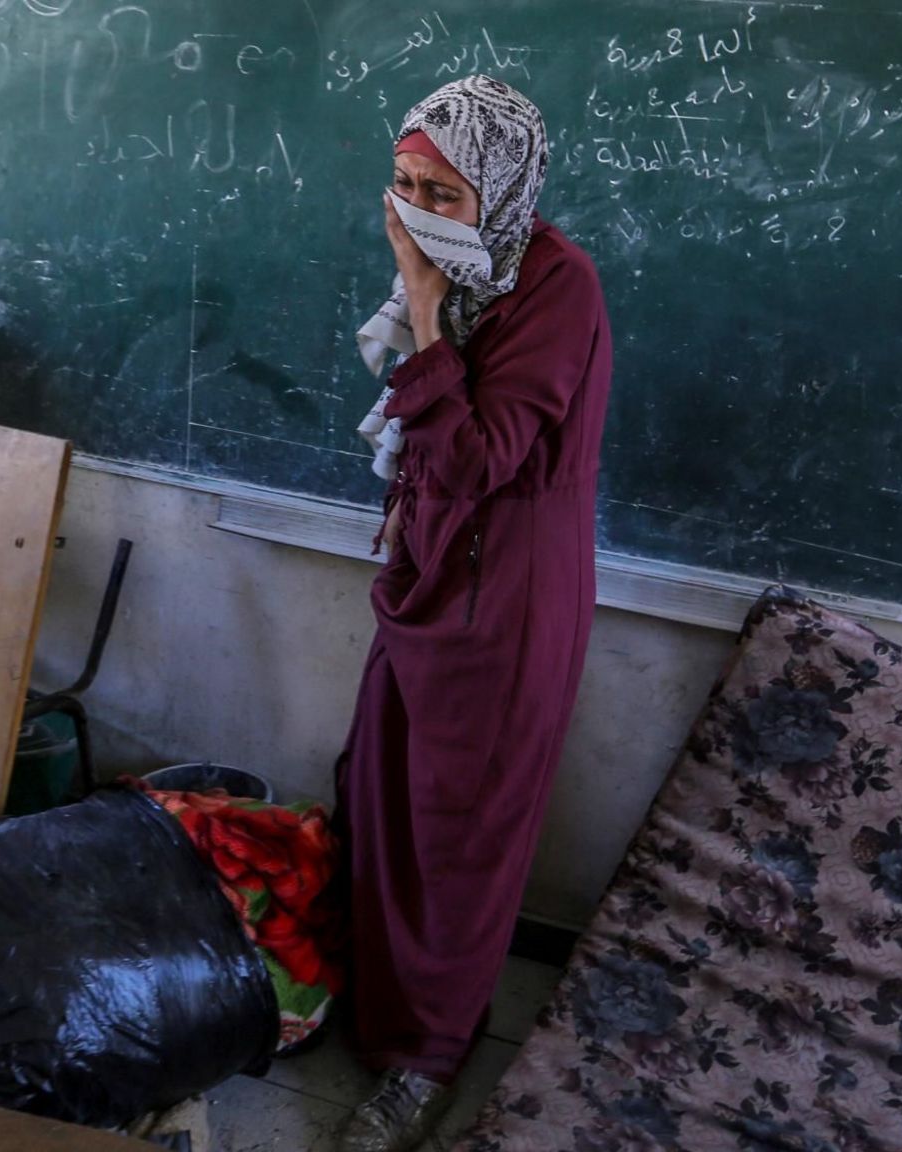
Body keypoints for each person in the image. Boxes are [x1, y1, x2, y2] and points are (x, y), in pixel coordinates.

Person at [336, 75, 612, 1152]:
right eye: (401, 186)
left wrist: (421, 310)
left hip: (507, 597)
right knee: (377, 791)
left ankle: (425, 1061)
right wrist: (427, 292)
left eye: (440, 193)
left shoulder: (556, 286)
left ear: (497, 191)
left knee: (459, 836)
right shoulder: (467, 266)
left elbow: (479, 455)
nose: (413, 211)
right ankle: (371, 1012)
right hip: (431, 573)